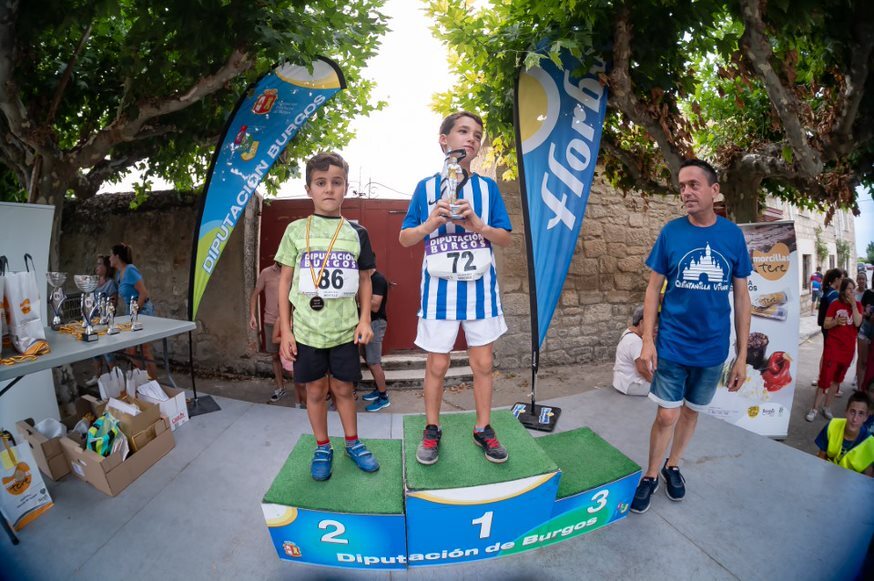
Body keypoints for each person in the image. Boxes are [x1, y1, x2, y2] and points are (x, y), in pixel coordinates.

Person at [631, 159, 752, 514]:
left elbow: (741, 296)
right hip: (672, 343)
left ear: (714, 190)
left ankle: (673, 466)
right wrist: (647, 340)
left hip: (713, 349)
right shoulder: (672, 232)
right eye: (682, 186)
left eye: (694, 185)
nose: (685, 192)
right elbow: (653, 289)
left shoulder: (732, 236)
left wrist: (742, 355)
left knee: (691, 412)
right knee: (667, 415)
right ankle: (651, 474)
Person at [399, 111, 513, 465]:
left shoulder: (487, 188)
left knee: (483, 363)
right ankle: (432, 428)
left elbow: (505, 238)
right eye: (463, 131)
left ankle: (483, 428)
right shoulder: (425, 188)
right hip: (439, 293)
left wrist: (478, 225)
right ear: (444, 139)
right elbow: (405, 238)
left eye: (477, 134)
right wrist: (429, 223)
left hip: (481, 291)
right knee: (437, 364)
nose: (472, 139)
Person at [276, 152, 378, 481]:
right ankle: (322, 446)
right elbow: (285, 282)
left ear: (346, 187)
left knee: (344, 389)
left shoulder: (357, 232)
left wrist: (365, 320)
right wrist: (286, 331)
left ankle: (352, 442)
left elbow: (365, 279)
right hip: (307, 331)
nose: (329, 189)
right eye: (321, 183)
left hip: (344, 331)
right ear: (309, 189)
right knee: (316, 391)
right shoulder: (295, 230)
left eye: (336, 182)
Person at [807, 278, 863, 421]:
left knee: (837, 380)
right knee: (825, 378)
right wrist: (836, 321)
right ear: (843, 290)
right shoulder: (835, 304)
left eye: (853, 289)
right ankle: (814, 409)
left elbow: (858, 322)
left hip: (848, 349)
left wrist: (854, 306)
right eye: (849, 289)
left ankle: (827, 407)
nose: (852, 292)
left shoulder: (857, 305)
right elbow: (826, 324)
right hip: (833, 347)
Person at [110, 243, 158, 379]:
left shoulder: (130, 270)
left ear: (117, 256)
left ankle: (154, 383)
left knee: (145, 350)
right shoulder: (119, 274)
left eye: (111, 255)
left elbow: (144, 293)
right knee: (130, 351)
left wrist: (134, 312)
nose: (109, 258)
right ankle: (144, 378)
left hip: (142, 310)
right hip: (131, 311)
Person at [249, 261, 288, 403]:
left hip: (290, 322)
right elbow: (255, 294)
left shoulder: (292, 270)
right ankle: (280, 387)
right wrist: (252, 315)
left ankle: (304, 390)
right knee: (275, 356)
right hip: (270, 321)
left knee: (297, 355)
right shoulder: (266, 272)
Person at [814, 391, 874, 476]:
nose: (855, 419)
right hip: (827, 474)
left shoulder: (871, 444)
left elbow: (867, 478)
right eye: (852, 412)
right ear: (846, 412)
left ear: (866, 417)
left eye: (861, 414)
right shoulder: (832, 425)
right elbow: (821, 457)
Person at [85, 255, 118, 387]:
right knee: (95, 351)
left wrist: (104, 317)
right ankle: (98, 376)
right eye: (97, 264)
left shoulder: (111, 284)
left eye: (100, 264)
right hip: (93, 321)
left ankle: (115, 378)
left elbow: (113, 304)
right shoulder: (93, 283)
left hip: (105, 322)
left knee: (107, 352)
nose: (97, 267)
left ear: (106, 267)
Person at [361, 270, 391, 412]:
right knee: (368, 359)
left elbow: (375, 306)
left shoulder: (377, 279)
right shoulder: (365, 278)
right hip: (366, 324)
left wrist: (357, 297)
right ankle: (378, 389)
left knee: (374, 362)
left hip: (375, 323)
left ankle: (384, 397)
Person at [612, 305, 653, 396]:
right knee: (667, 390)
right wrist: (657, 384)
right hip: (631, 384)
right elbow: (643, 370)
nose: (655, 327)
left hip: (621, 381)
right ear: (641, 322)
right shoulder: (635, 341)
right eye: (652, 323)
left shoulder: (629, 331)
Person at [855, 272, 874, 390]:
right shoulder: (868, 293)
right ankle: (860, 390)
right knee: (863, 361)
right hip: (865, 328)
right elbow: (860, 310)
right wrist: (866, 313)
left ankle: (868, 389)